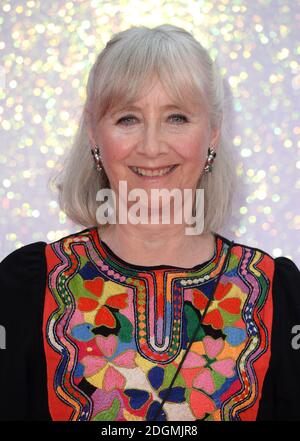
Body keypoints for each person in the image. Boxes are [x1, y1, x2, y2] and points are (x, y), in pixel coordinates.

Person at [0, 24, 299, 422]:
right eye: (128, 119)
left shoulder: (279, 294)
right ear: (94, 132)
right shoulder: (25, 289)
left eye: (176, 117)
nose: (153, 146)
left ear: (212, 132)